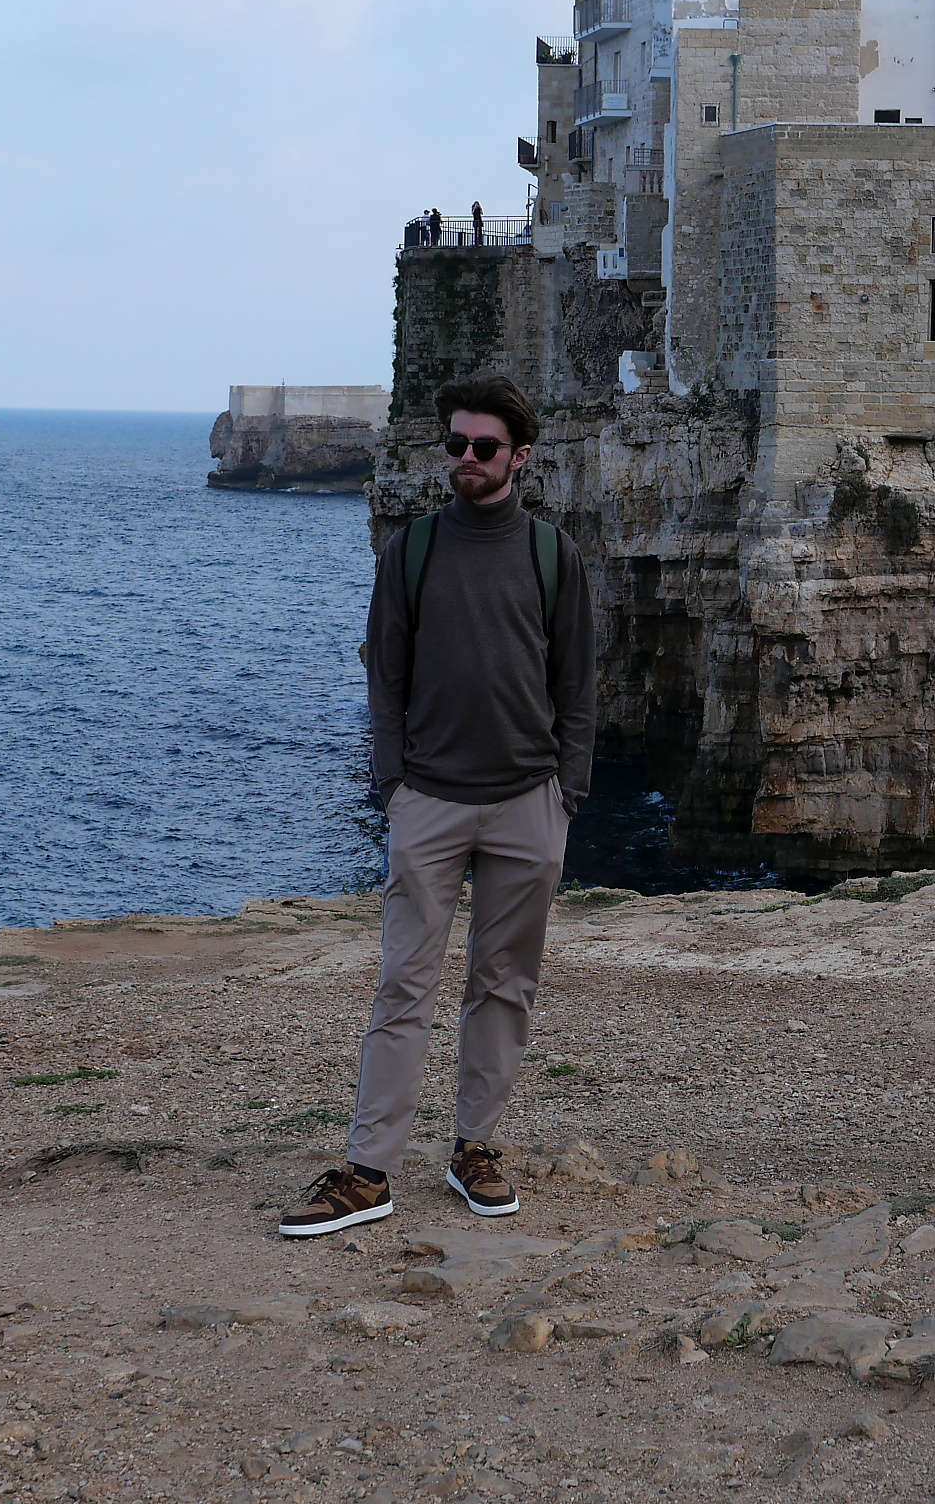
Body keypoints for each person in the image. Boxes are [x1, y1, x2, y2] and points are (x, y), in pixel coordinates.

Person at [279, 374, 597, 1237]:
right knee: (403, 985)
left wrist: (567, 793)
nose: (465, 458)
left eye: (483, 447)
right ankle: (368, 1171)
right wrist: (394, 785)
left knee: (504, 986)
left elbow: (577, 683)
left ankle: (474, 1151)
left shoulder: (552, 554)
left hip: (529, 803)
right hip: (428, 801)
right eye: (455, 443)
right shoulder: (411, 552)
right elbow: (384, 675)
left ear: (518, 457)